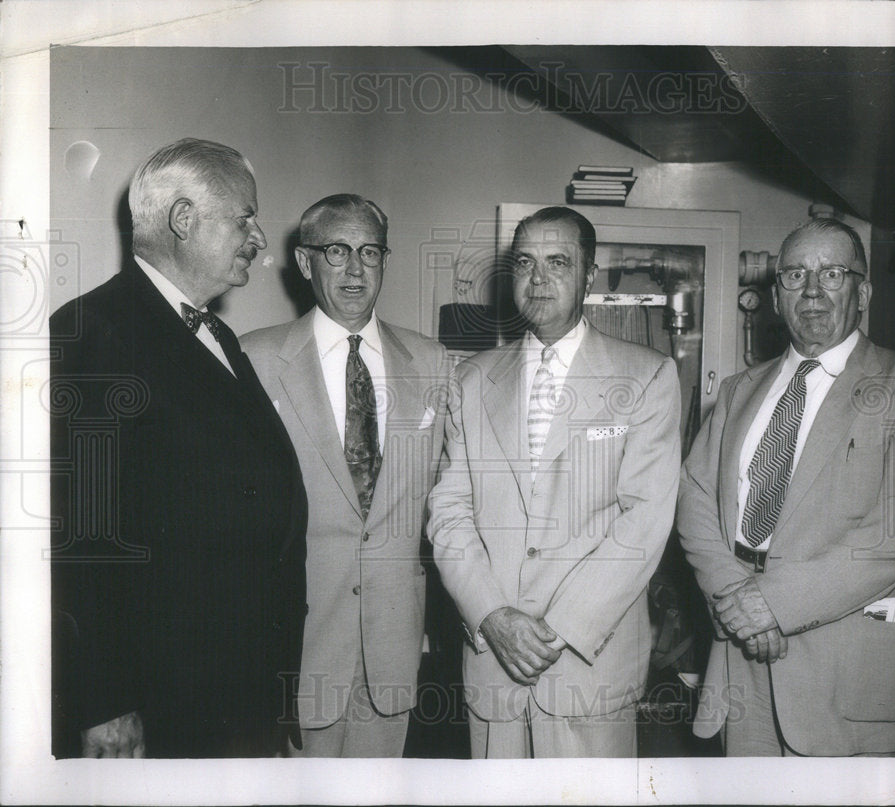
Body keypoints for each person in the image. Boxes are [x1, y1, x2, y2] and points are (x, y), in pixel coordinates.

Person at [49, 138, 308, 758]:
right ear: (183, 219)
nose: (260, 236)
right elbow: (81, 540)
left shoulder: (215, 332)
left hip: (235, 690)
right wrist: (103, 701)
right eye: (244, 216)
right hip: (162, 701)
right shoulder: (92, 333)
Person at [677, 218, 895, 756]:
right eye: (795, 275)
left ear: (863, 291)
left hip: (847, 664)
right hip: (741, 653)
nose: (812, 290)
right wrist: (735, 598)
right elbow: (695, 499)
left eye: (832, 274)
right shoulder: (737, 391)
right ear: (776, 297)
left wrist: (772, 603)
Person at [428, 206, 681, 758]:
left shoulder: (646, 376)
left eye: (557, 262)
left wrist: (556, 630)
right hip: (493, 666)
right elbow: (449, 512)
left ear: (589, 275)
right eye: (525, 262)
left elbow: (645, 522)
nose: (538, 279)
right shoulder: (470, 378)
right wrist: (492, 616)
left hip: (590, 663)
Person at [241, 195, 449, 757]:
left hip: (394, 647)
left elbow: (454, 500)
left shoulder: (433, 362)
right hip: (297, 647)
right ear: (305, 263)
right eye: (337, 251)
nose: (356, 269)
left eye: (370, 251)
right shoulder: (252, 361)